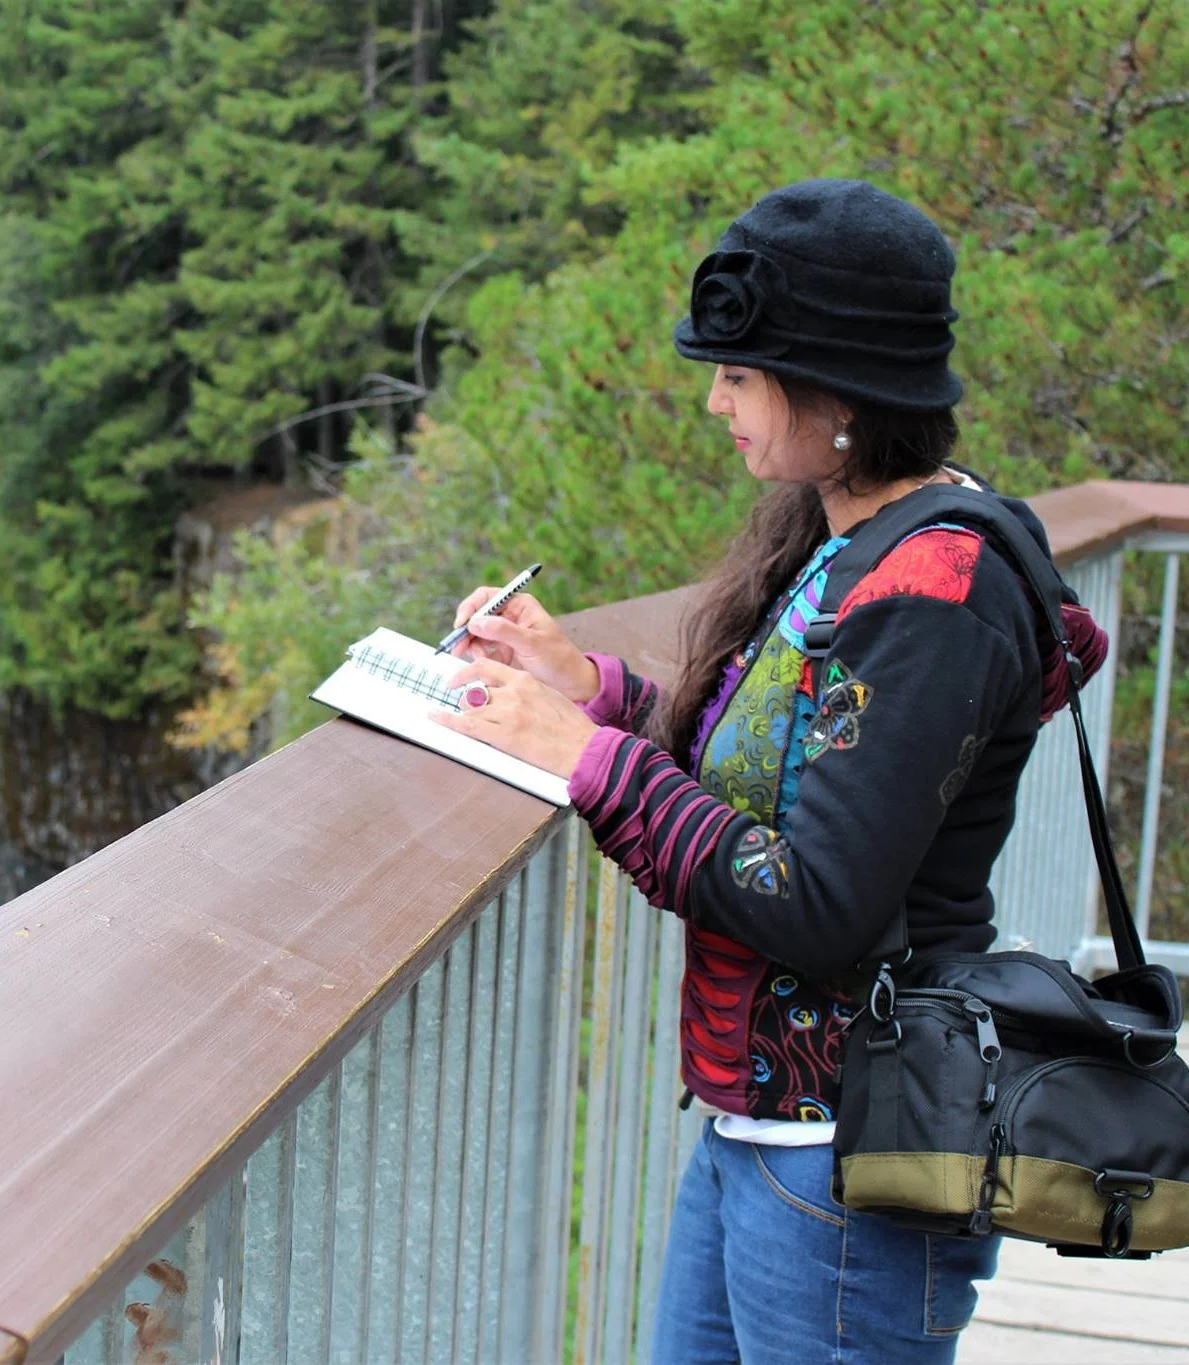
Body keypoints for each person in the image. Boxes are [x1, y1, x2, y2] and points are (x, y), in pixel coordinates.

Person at [432, 179, 1108, 1365]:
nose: (713, 401)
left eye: (739, 377)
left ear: (835, 391)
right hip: (765, 1126)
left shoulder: (932, 591)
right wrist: (584, 688)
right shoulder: (850, 536)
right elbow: (776, 771)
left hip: (850, 1157)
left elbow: (819, 897)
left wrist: (587, 764)